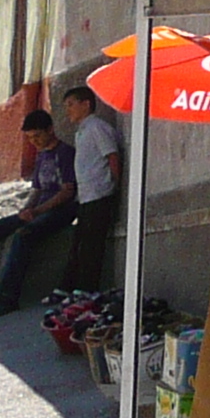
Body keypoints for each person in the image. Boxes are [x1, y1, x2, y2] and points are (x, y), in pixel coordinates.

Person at [0, 110, 74, 313]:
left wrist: (37, 211)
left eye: (37, 136)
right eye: (29, 138)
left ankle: (8, 297)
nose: (34, 141)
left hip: (60, 210)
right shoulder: (42, 156)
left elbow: (67, 191)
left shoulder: (65, 153)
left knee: (23, 236)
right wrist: (25, 210)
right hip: (38, 210)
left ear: (50, 130)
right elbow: (36, 190)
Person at [59, 84, 125, 291]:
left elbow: (112, 156)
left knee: (92, 247)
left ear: (86, 104)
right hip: (86, 196)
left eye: (71, 104)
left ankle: (87, 289)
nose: (68, 110)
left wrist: (115, 185)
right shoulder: (81, 132)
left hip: (100, 194)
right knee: (79, 244)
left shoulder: (97, 127)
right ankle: (69, 288)